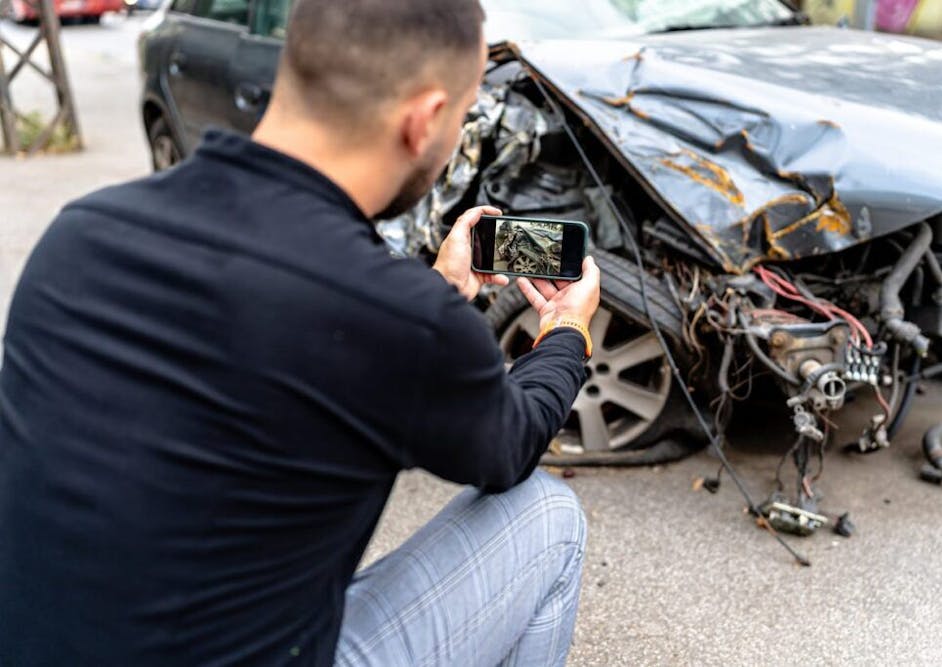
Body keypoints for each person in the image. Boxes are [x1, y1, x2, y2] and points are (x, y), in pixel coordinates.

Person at [0, 0, 601, 664]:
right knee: (548, 516)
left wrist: (438, 287)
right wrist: (566, 329)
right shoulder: (394, 316)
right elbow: (510, 443)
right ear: (425, 119)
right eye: (463, 116)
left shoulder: (81, 234)